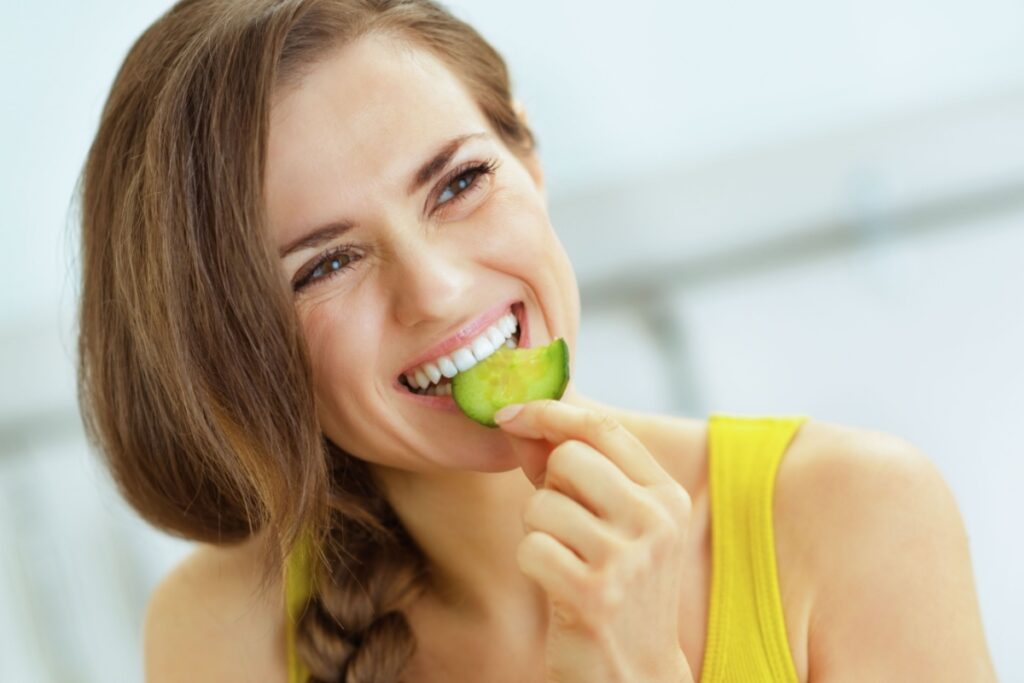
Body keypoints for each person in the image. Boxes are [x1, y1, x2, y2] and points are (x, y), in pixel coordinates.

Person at [76, 1, 996, 681]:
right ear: (233, 351)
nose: (436, 289)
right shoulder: (220, 632)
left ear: (531, 160)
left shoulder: (854, 516)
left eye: (460, 182)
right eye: (324, 266)